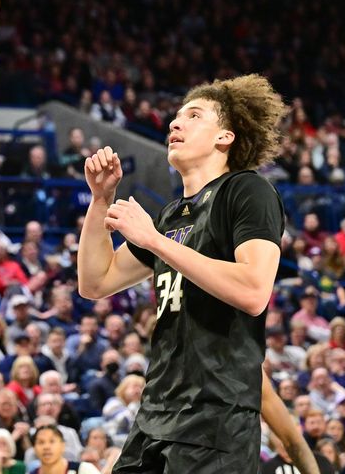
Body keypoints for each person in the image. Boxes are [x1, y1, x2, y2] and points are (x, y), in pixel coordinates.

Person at [77, 74, 287, 473]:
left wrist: (155, 242)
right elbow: (95, 282)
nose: (175, 124)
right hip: (157, 409)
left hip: (217, 416)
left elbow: (254, 290)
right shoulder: (171, 216)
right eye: (175, 117)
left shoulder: (247, 191)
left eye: (193, 115)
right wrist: (101, 200)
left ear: (225, 136)